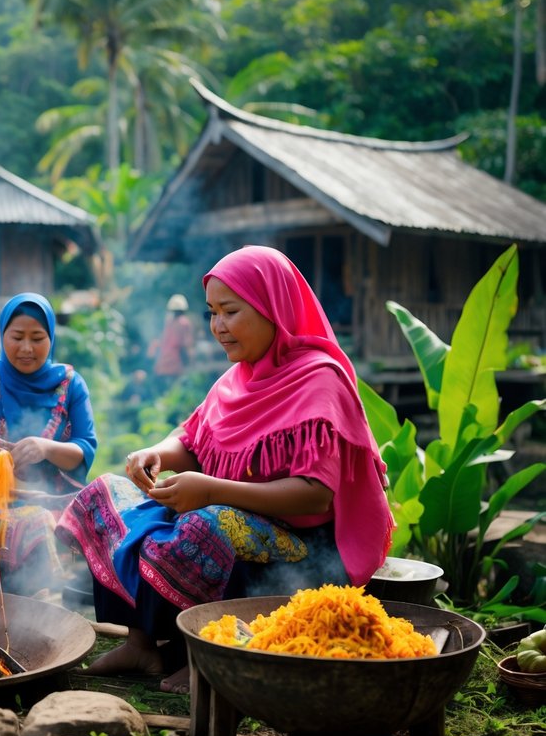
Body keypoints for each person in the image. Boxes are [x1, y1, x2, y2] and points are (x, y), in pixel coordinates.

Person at [56, 245, 393, 693]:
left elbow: (315, 495)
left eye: (230, 311)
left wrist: (212, 490)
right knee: (104, 494)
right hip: (227, 513)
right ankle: (143, 643)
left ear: (272, 308)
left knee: (204, 525)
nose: (217, 326)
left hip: (306, 553)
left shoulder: (319, 380)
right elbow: (193, 439)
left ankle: (209, 653)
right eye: (212, 313)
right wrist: (155, 452)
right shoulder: (237, 378)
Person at [0, 293, 97, 596]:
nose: (27, 348)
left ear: (51, 337)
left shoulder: (71, 384)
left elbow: (85, 447)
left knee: (42, 520)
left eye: (37, 337)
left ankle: (51, 598)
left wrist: (45, 448)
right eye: (17, 337)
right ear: (2, 334)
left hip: (59, 498)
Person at [148, 293, 195, 392]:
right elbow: (187, 344)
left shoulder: (168, 322)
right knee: (177, 389)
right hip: (176, 361)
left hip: (164, 361)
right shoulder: (184, 322)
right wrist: (190, 359)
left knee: (167, 390)